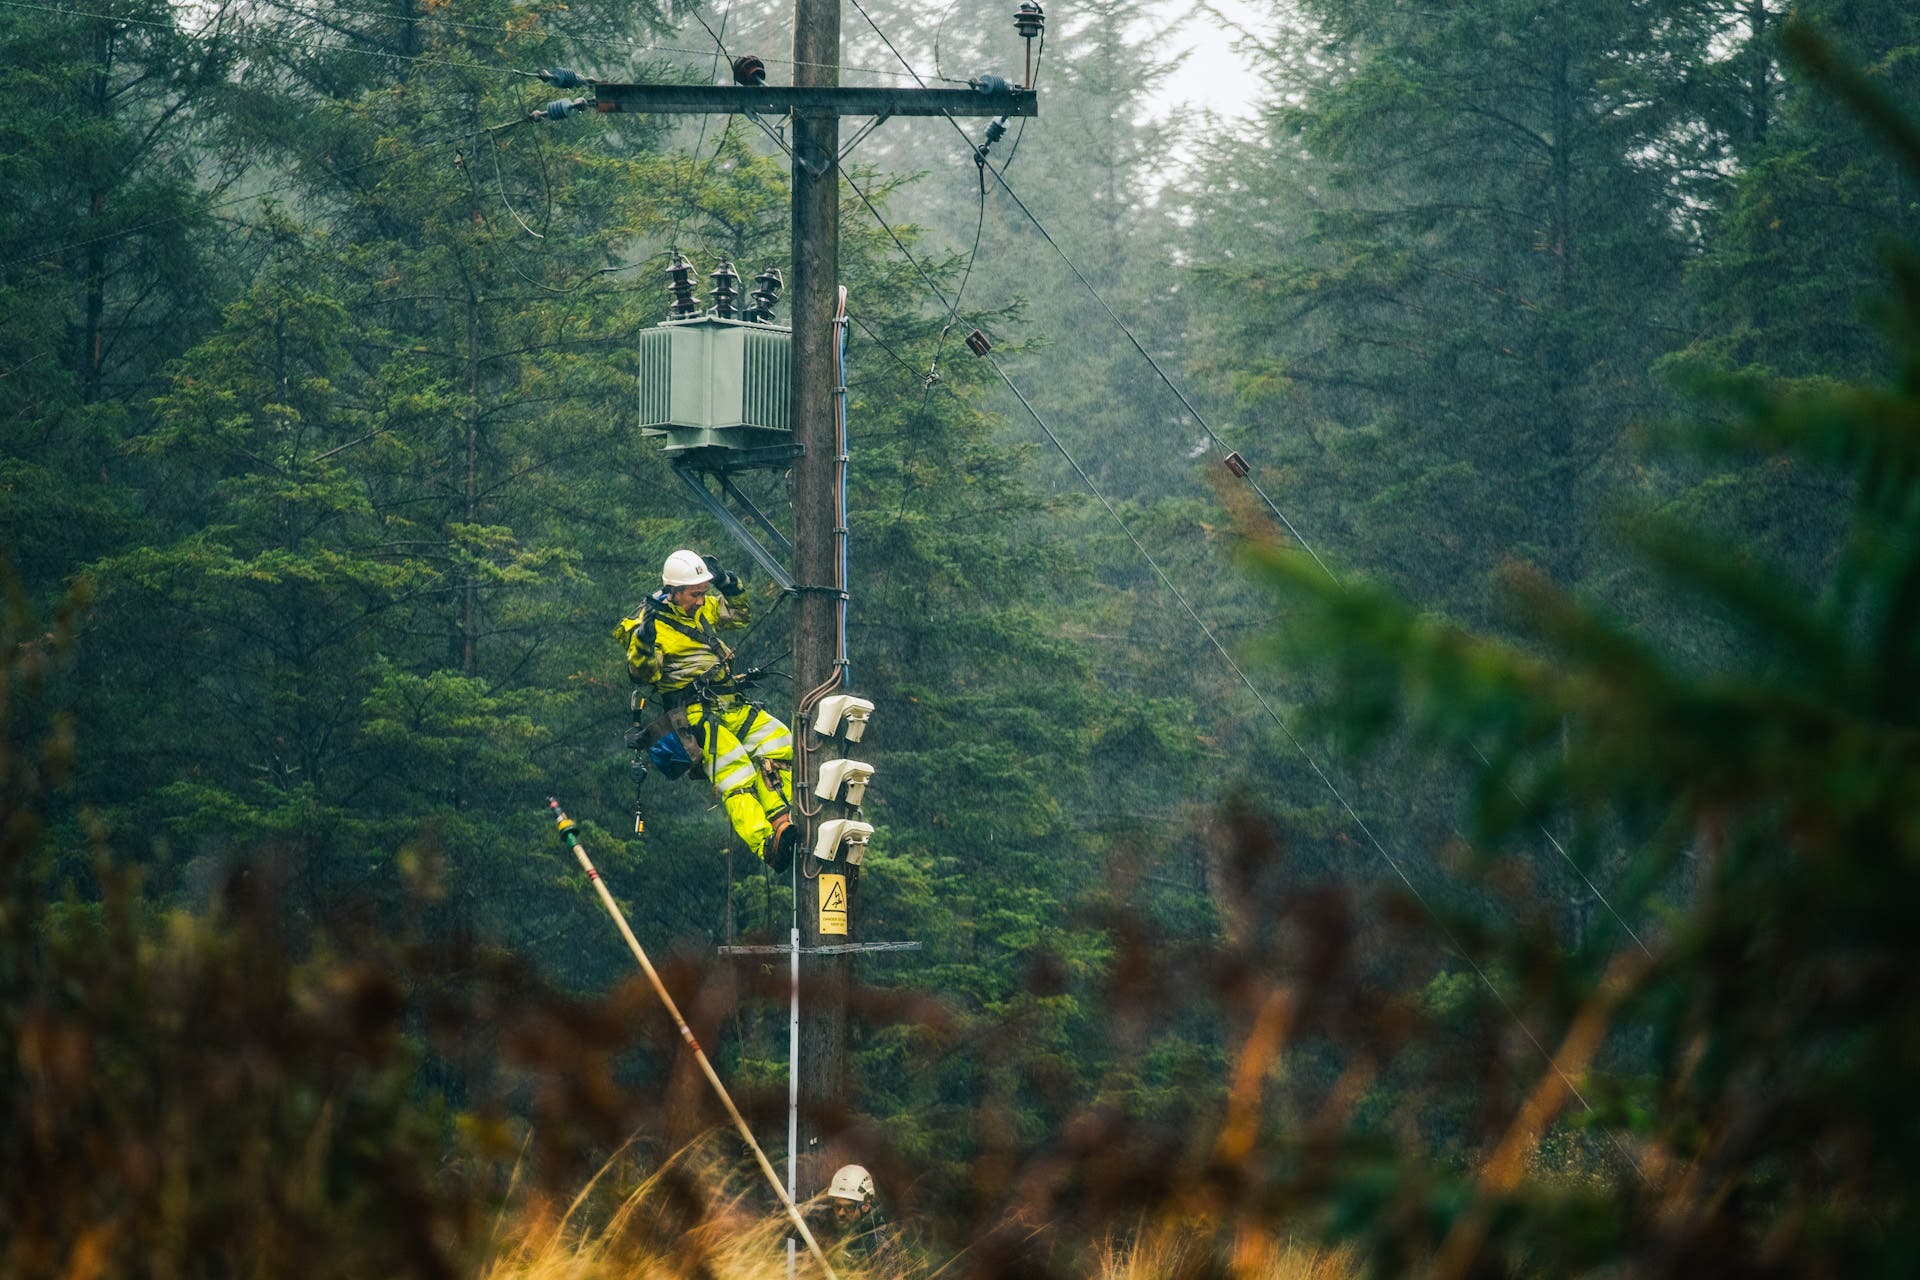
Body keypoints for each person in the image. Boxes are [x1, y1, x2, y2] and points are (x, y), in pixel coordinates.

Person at [615, 549, 798, 870]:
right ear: (674, 592)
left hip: (731, 704)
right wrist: (644, 641)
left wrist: (728, 583)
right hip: (696, 717)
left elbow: (739, 615)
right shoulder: (649, 625)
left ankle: (784, 818)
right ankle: (766, 843)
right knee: (737, 772)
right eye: (695, 594)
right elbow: (644, 674)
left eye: (704, 593)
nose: (701, 600)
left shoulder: (698, 610)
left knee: (780, 744)